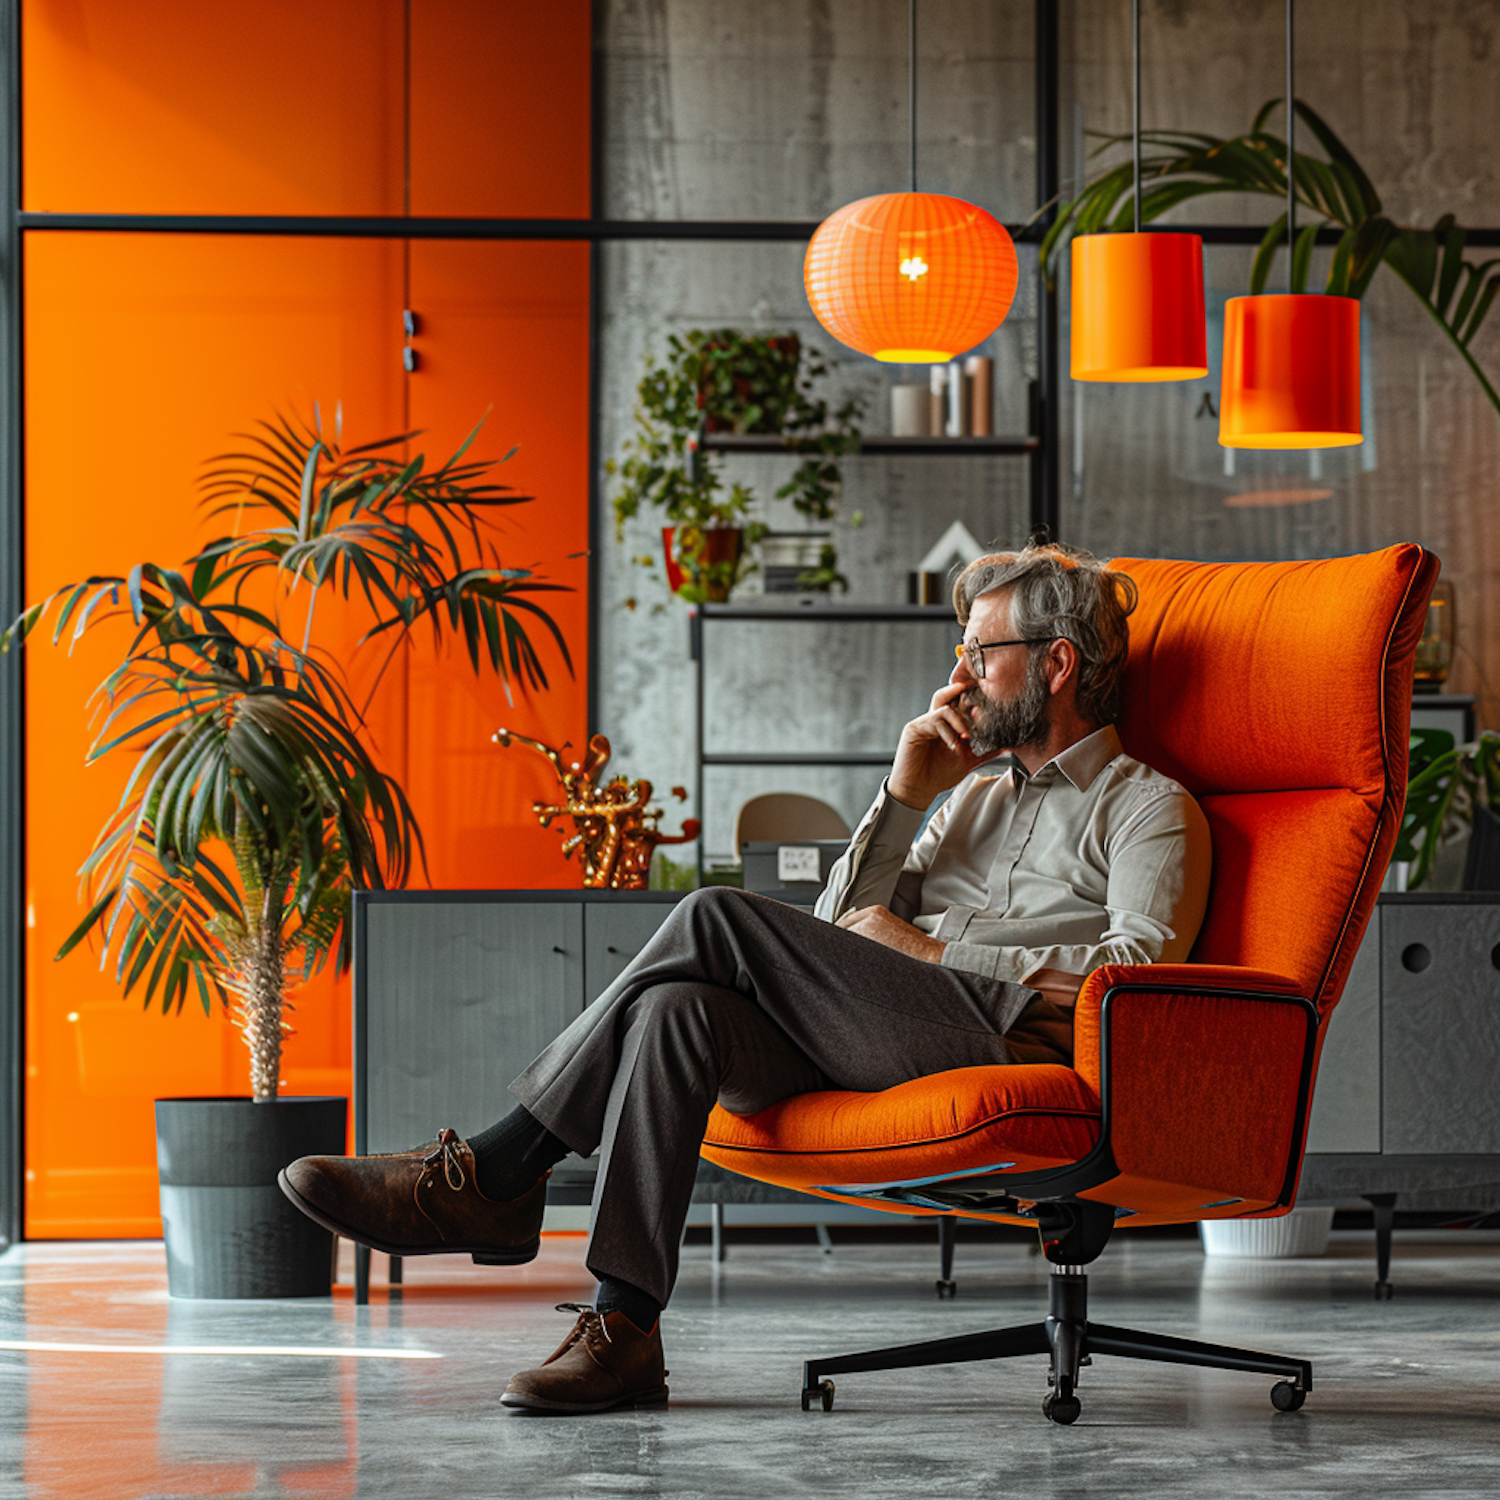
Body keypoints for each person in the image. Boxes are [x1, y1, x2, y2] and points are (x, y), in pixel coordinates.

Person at [280, 540, 1212, 1414]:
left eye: (981, 652)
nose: (958, 676)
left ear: (1056, 664)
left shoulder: (1146, 807)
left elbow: (1136, 969)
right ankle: (625, 1325)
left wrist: (931, 953)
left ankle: (503, 1166)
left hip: (1003, 1032)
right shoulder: (963, 796)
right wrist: (900, 796)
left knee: (714, 915)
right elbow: (831, 926)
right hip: (880, 1029)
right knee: (679, 1010)